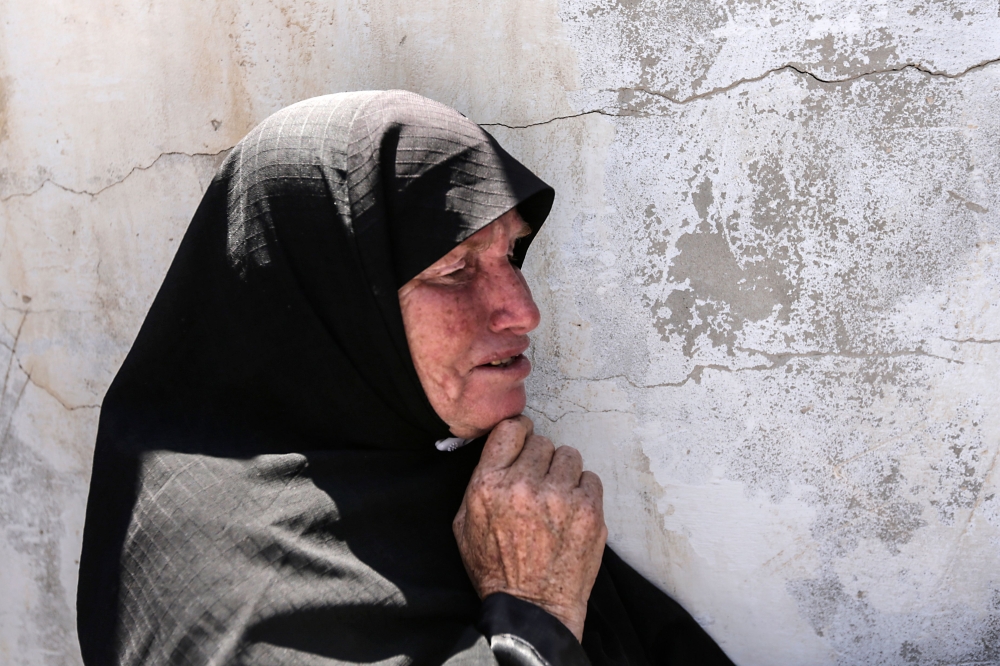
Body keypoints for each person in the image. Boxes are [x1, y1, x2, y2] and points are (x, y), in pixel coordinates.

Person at [77, 90, 734, 666]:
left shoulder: (447, 481)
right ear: (332, 304)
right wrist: (536, 616)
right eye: (454, 269)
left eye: (510, 254)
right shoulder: (221, 583)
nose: (524, 311)